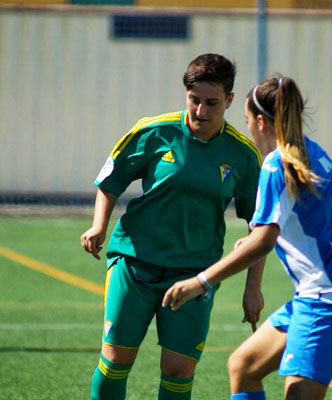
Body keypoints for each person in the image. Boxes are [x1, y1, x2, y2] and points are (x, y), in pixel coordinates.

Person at [162, 75, 332, 400]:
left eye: (248, 120)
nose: (248, 127)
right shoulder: (307, 153)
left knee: (297, 395)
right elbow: (288, 226)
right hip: (326, 293)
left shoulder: (277, 165)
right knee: (244, 366)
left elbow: (264, 238)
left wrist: (201, 281)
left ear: (260, 121)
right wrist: (255, 245)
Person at [80, 53, 265, 400]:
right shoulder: (153, 131)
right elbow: (110, 180)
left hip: (195, 276)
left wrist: (252, 288)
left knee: (179, 370)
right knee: (116, 360)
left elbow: (260, 227)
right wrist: (98, 226)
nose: (200, 111)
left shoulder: (243, 155)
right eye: (194, 100)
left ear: (228, 101)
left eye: (212, 103)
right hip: (134, 264)